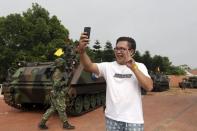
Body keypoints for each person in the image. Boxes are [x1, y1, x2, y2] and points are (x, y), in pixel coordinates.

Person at [77, 33, 153, 131]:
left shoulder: (140, 66)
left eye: (122, 49)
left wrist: (133, 68)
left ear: (132, 51)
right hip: (112, 118)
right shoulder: (108, 67)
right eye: (116, 48)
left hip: (133, 120)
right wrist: (82, 52)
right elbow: (88, 66)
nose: (118, 52)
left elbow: (149, 87)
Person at [38, 58, 75, 130]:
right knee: (62, 108)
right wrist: (65, 82)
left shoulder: (57, 71)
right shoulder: (58, 73)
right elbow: (56, 84)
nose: (64, 65)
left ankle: (42, 123)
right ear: (61, 65)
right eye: (63, 64)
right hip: (57, 93)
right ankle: (65, 124)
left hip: (54, 92)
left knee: (52, 108)